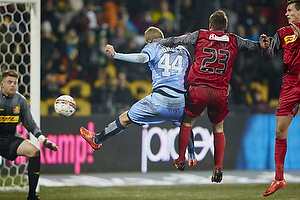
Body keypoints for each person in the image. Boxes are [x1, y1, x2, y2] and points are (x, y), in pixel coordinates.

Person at [155, 10, 261, 182]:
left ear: (210, 25)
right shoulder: (234, 39)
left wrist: (159, 42)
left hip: (199, 89)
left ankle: (181, 159)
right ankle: (218, 167)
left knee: (187, 122)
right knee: (218, 129)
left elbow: (177, 40)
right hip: (219, 91)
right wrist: (264, 45)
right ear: (226, 26)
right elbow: (253, 46)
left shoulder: (201, 35)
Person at [80, 26, 198, 168]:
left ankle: (97, 139)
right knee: (186, 125)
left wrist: (116, 55)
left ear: (149, 41)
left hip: (159, 100)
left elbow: (142, 58)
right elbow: (191, 76)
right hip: (179, 102)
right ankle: (191, 155)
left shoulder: (154, 46)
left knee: (125, 119)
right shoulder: (183, 50)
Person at [259, 0, 300, 196]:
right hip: (290, 84)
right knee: (279, 132)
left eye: (290, 10)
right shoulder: (283, 33)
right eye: (285, 10)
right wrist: (266, 48)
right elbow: (269, 55)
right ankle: (279, 178)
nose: (286, 13)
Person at [0, 69, 59, 200]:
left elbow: (30, 124)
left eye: (15, 82)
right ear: (1, 84)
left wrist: (43, 140)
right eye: (9, 82)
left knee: (35, 152)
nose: (13, 85)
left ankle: (32, 196)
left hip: (10, 140)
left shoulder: (20, 101)